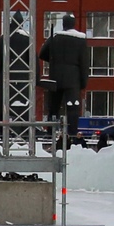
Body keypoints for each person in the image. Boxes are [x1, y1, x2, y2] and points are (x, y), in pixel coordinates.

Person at [41, 14, 91, 144]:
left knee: (54, 106)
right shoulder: (80, 39)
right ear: (73, 23)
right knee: (73, 107)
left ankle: (50, 131)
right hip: (73, 78)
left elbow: (42, 53)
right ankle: (73, 133)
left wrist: (54, 60)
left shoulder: (55, 37)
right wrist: (83, 82)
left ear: (63, 24)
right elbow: (84, 63)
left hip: (55, 76)